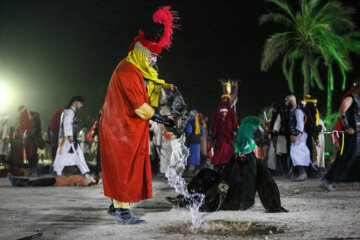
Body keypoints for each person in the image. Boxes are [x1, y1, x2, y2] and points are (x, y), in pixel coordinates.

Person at [100, 6, 178, 225]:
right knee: (124, 168)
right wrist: (163, 119)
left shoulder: (134, 69)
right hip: (120, 128)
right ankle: (122, 214)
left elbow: (147, 90)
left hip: (127, 127)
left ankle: (116, 206)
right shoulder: (127, 70)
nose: (154, 60)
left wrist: (166, 89)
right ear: (143, 53)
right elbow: (139, 106)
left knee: (126, 168)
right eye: (153, 55)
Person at [166, 116, 287, 213]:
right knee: (205, 173)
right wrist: (223, 182)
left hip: (240, 198)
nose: (239, 155)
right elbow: (225, 173)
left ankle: (189, 201)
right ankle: (183, 197)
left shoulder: (257, 165)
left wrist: (275, 205)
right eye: (238, 152)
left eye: (242, 153)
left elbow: (269, 184)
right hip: (227, 186)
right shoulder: (235, 159)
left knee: (211, 199)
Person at [322, 81, 360, 191]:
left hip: (357, 134)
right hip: (350, 135)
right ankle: (328, 179)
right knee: (345, 157)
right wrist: (348, 127)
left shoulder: (357, 98)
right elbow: (341, 112)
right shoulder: (350, 98)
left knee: (356, 158)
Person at [52, 96, 94, 183]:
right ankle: (57, 174)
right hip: (67, 139)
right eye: (81, 103)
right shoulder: (69, 112)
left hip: (69, 138)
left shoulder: (68, 111)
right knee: (62, 156)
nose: (81, 106)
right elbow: (67, 124)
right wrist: (70, 136)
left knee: (77, 155)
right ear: (75, 102)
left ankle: (86, 173)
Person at [285, 95, 311, 181]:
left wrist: (296, 135)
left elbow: (300, 125)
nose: (286, 103)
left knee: (297, 154)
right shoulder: (293, 111)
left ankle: (303, 173)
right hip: (295, 136)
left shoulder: (298, 111)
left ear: (292, 100)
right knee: (295, 154)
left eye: (287, 101)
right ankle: (298, 173)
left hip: (299, 136)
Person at [210, 95, 238, 171]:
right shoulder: (217, 112)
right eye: (223, 99)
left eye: (226, 99)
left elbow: (235, 123)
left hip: (229, 137)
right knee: (219, 153)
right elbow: (214, 125)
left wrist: (235, 130)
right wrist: (213, 133)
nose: (225, 100)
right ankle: (218, 169)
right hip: (220, 138)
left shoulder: (232, 111)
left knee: (229, 153)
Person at [184, 110, 204, 176]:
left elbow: (189, 132)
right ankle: (196, 169)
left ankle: (187, 170)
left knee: (190, 155)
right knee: (196, 155)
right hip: (198, 142)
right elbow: (202, 133)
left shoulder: (190, 122)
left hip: (191, 141)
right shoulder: (200, 123)